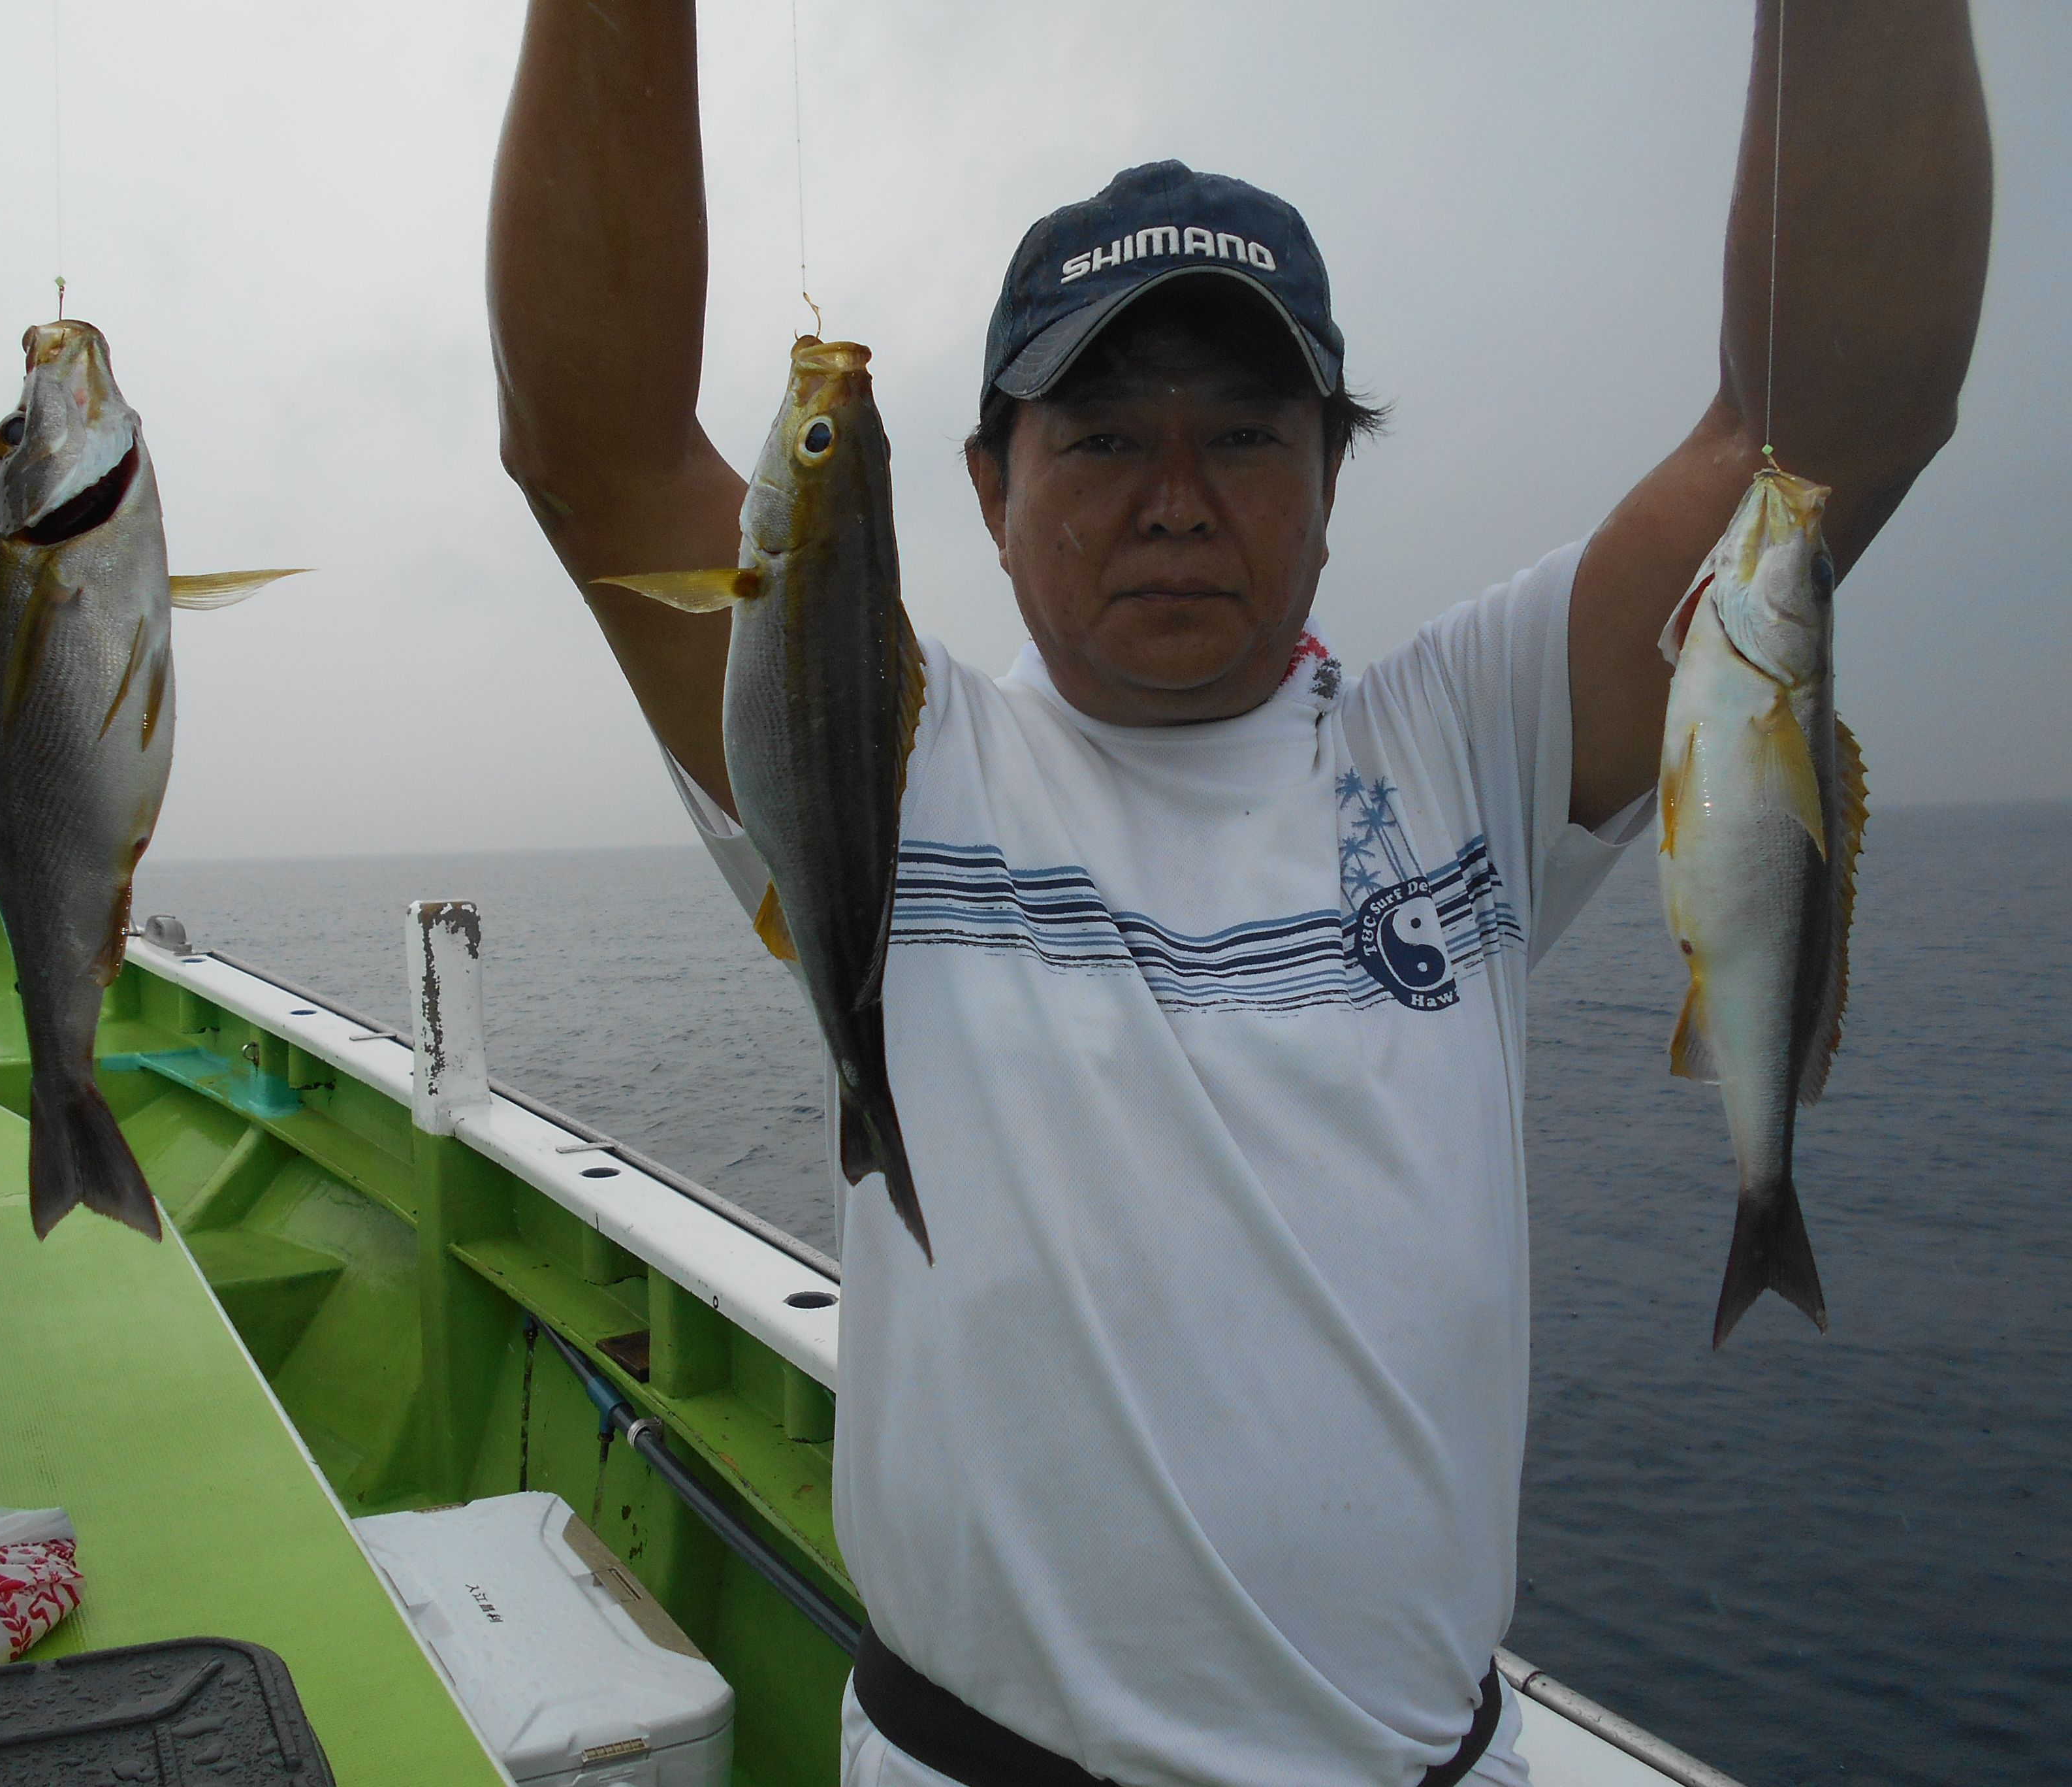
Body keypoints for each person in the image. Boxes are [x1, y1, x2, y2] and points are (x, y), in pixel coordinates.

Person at [486, 6, 1990, 1783]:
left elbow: (1833, 426)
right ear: (985, 488)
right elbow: (591, 443)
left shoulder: (1474, 740)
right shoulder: (874, 750)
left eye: (1251, 435)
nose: (1179, 500)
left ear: (1336, 476)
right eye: (1103, 438)